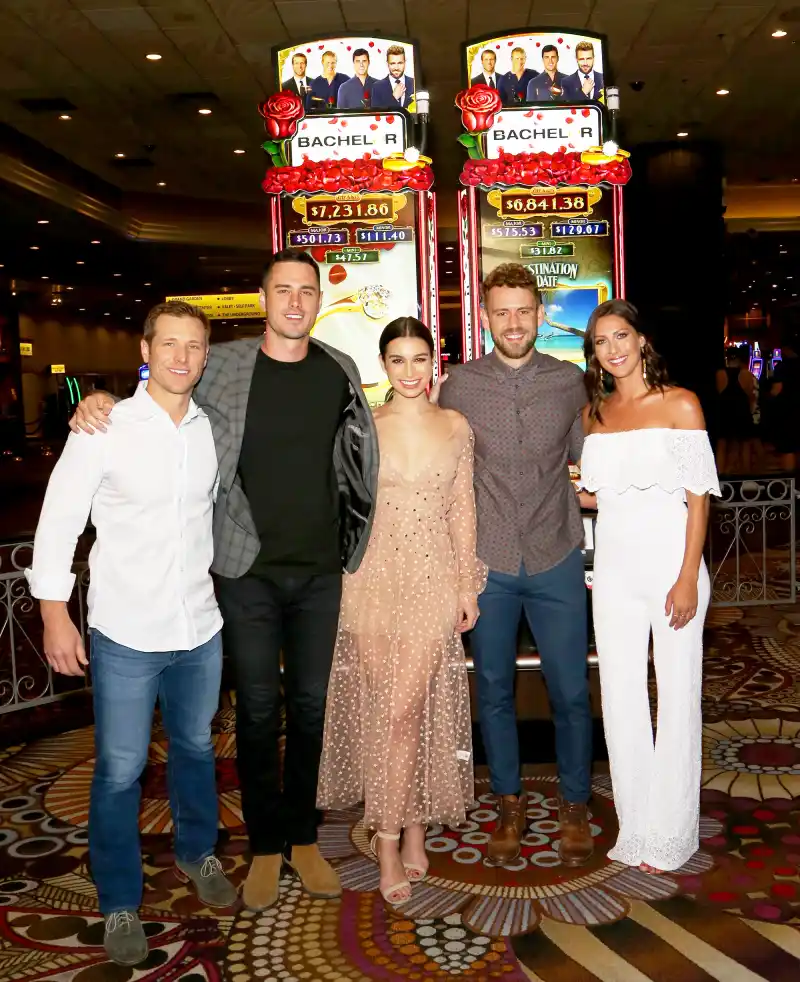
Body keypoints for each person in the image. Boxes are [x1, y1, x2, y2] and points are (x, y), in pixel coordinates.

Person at [69, 250, 379, 913]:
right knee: (259, 714)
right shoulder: (227, 364)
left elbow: (358, 460)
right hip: (245, 573)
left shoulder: (340, 371)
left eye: (307, 291)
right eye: (283, 290)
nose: (295, 302)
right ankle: (266, 843)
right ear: (263, 298)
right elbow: (162, 395)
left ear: (318, 301)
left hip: (321, 571)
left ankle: (302, 836)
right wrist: (101, 400)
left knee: (313, 710)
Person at [27, 301, 237, 966]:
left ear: (205, 356)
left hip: (200, 626)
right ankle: (120, 897)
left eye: (194, 346)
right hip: (124, 631)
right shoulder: (103, 426)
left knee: (197, 750)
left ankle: (197, 853)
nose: (182, 356)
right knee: (121, 770)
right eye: (169, 343)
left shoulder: (212, 428)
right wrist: (54, 613)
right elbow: (59, 522)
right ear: (146, 348)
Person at [318, 318, 485, 907]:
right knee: (385, 709)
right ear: (383, 365)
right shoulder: (361, 425)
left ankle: (389, 836)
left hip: (433, 578)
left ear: (434, 361)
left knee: (407, 708)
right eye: (398, 360)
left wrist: (468, 586)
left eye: (420, 359)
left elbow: (463, 508)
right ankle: (406, 826)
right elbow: (338, 505)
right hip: (368, 580)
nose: (410, 372)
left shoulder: (456, 426)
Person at [436, 263, 594, 869]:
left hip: (555, 556)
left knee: (570, 690)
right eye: (500, 312)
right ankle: (508, 802)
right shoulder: (459, 386)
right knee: (495, 691)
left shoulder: (570, 382)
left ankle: (574, 804)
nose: (513, 322)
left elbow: (590, 463)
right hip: (489, 561)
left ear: (538, 313)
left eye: (523, 310)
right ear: (484, 316)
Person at [578, 299, 719, 874]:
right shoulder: (596, 414)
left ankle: (673, 829)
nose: (612, 349)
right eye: (600, 342)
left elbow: (697, 498)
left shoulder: (681, 403)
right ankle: (637, 825)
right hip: (613, 571)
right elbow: (597, 495)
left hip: (672, 568)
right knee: (621, 697)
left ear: (641, 341)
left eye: (620, 336)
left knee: (678, 692)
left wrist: (687, 575)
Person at [715, 346, 757, 473]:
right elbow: (750, 395)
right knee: (745, 444)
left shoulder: (720, 374)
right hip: (742, 411)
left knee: (722, 444)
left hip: (725, 411)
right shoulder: (746, 374)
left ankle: (721, 477)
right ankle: (746, 477)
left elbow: (719, 392)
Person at [768, 331, 800, 472]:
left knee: (788, 447)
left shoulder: (782, 366)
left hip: (788, 410)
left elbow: (777, 389)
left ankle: (790, 483)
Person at [371, 45, 415, 110]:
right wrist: (394, 98)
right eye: (392, 63)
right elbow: (376, 115)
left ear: (405, 63)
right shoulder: (377, 87)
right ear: (387, 64)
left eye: (400, 63)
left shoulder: (414, 83)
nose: (396, 68)